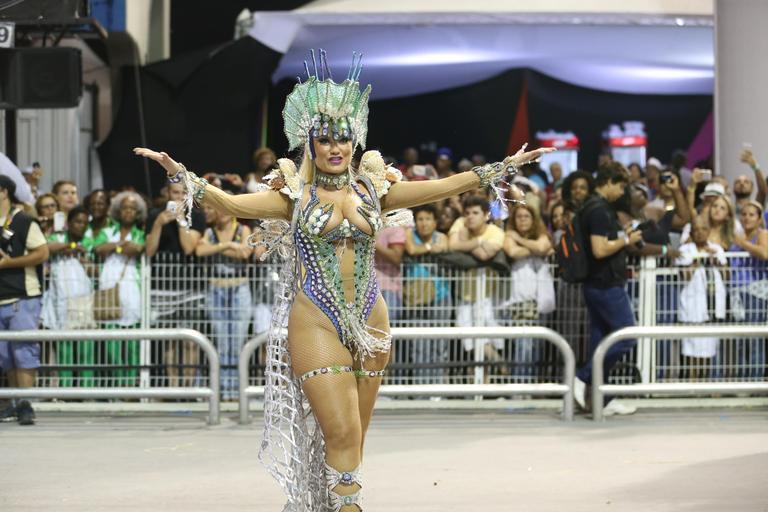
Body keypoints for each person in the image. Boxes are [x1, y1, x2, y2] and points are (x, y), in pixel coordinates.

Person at [135, 50, 553, 511]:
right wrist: (180, 174)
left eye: (344, 138)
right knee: (343, 429)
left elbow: (443, 187)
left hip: (372, 316)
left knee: (356, 431)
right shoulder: (293, 195)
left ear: (355, 142)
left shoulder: (376, 189)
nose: (335, 147)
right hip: (315, 316)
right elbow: (230, 204)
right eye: (325, 139)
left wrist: (502, 167)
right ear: (309, 144)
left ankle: (337, 501)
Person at [573, 165, 642, 417]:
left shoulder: (591, 207)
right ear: (609, 181)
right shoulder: (600, 209)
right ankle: (581, 377)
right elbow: (600, 250)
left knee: (601, 344)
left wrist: (621, 236)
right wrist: (627, 240)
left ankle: (602, 400)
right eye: (621, 186)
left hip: (596, 284)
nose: (622, 192)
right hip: (606, 285)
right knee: (627, 338)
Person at [145, 181, 206, 388]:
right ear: (167, 193)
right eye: (175, 193)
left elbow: (189, 248)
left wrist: (181, 220)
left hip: (190, 286)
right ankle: (173, 386)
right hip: (162, 286)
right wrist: (158, 224)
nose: (178, 197)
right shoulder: (155, 214)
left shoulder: (196, 216)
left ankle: (188, 388)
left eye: (182, 193)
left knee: (191, 341)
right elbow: (149, 251)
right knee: (169, 340)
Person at [0, 175, 49, 425]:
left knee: (24, 353)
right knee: (5, 356)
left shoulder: (23, 221)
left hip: (23, 296)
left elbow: (42, 252)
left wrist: (9, 263)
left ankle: (26, 404)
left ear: (4, 192)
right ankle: (14, 402)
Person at [196, 202, 253, 401]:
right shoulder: (210, 231)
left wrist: (216, 249)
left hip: (239, 288)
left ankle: (236, 390)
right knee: (222, 342)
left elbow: (246, 252)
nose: (216, 212)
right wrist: (228, 246)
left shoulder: (243, 229)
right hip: (216, 289)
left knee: (237, 342)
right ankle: (223, 389)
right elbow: (199, 251)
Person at [449, 195, 507, 380]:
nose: (470, 217)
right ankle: (499, 368)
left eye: (475, 213)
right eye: (467, 213)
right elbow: (452, 245)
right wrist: (479, 242)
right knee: (468, 338)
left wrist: (464, 245)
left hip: (488, 295)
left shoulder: (496, 232)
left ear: (486, 215)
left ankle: (490, 379)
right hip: (463, 293)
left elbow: (485, 255)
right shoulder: (460, 222)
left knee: (486, 337)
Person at [93, 192, 146, 387]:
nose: (128, 212)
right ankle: (117, 383)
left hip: (131, 288)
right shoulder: (108, 230)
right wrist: (119, 245)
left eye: (133, 208)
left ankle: (131, 384)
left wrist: (114, 247)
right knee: (111, 337)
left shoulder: (140, 232)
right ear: (118, 210)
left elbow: (138, 249)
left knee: (132, 339)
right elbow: (98, 249)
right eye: (125, 208)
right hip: (109, 287)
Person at [42, 206, 96, 387]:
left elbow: (97, 270)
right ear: (69, 223)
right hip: (61, 301)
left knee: (85, 344)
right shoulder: (59, 238)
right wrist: (70, 246)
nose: (80, 226)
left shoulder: (89, 242)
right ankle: (65, 388)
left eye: (84, 223)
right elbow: (47, 247)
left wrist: (85, 261)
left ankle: (86, 389)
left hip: (84, 300)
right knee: (64, 344)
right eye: (77, 221)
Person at [502, 203, 554, 380]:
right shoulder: (509, 236)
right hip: (519, 300)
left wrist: (520, 239)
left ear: (533, 220)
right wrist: (534, 249)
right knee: (523, 346)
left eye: (526, 216)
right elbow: (512, 251)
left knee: (536, 346)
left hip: (541, 301)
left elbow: (543, 247)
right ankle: (519, 387)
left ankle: (532, 386)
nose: (522, 219)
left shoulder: (538, 235)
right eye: (519, 216)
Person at [403, 203, 451, 384]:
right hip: (416, 296)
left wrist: (426, 247)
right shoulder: (409, 235)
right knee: (419, 343)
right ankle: (420, 386)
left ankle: (437, 386)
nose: (424, 223)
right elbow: (412, 250)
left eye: (428, 219)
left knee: (440, 342)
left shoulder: (443, 237)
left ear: (435, 222)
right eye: (420, 219)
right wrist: (431, 248)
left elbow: (444, 247)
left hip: (441, 295)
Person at [675, 217, 727, 380]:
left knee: (709, 347)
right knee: (691, 348)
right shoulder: (685, 249)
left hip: (712, 306)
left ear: (709, 231)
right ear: (691, 233)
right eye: (696, 230)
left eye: (703, 229)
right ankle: (692, 383)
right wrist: (698, 259)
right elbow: (684, 275)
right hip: (693, 307)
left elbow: (727, 276)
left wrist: (717, 262)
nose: (699, 233)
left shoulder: (716, 248)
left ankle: (706, 382)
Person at [729, 200, 768, 378]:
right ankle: (742, 377)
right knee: (740, 338)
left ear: (759, 219)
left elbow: (764, 253)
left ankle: (755, 378)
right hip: (736, 291)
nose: (746, 218)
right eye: (744, 214)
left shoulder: (762, 234)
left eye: (751, 215)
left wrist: (742, 243)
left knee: (754, 338)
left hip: (755, 291)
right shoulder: (736, 236)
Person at [735, 147, 767, 213]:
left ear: (752, 188)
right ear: (733, 188)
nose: (742, 184)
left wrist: (755, 167)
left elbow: (762, 191)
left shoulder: (756, 208)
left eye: (746, 182)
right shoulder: (728, 210)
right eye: (738, 182)